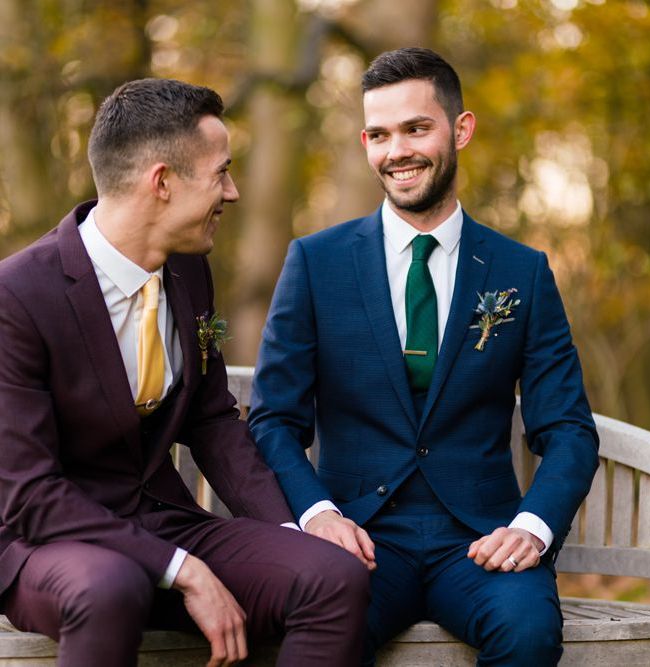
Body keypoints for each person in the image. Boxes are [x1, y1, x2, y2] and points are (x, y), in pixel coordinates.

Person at [0, 78, 369, 667]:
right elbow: (30, 496)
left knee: (330, 575)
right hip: (48, 544)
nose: (234, 191)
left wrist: (290, 531)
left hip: (167, 522)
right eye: (221, 172)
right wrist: (182, 570)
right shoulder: (17, 296)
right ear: (163, 182)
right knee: (110, 587)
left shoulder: (189, 274)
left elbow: (213, 420)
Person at [249, 47, 599, 666]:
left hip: (480, 542)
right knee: (317, 638)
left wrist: (533, 528)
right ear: (364, 141)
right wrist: (317, 514)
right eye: (379, 135)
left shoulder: (522, 271)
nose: (397, 151)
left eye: (416, 128)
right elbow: (274, 417)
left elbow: (568, 427)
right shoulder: (316, 262)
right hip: (358, 539)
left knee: (528, 634)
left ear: (460, 129)